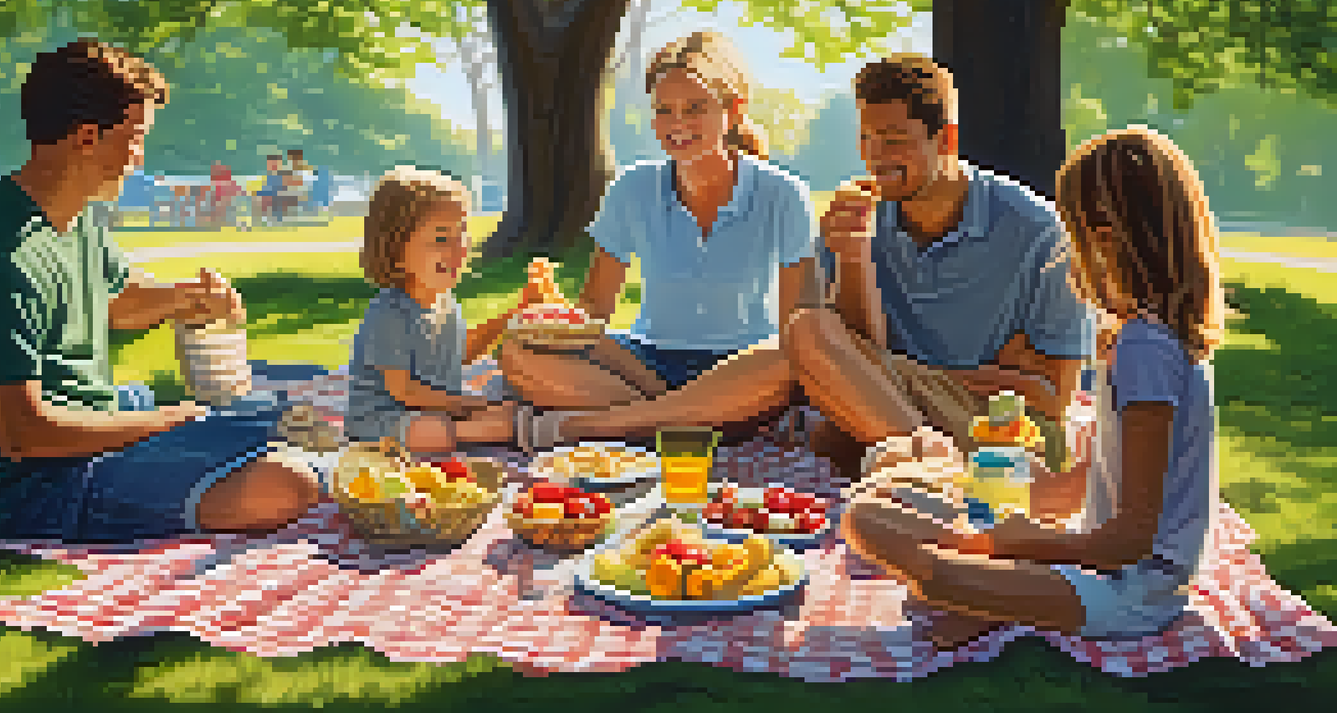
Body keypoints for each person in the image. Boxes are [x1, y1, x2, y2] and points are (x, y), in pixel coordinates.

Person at [520, 54, 1094, 480]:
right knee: (808, 338)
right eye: (868, 140)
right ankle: (912, 456)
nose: (876, 158)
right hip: (883, 405)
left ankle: (921, 463)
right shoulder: (860, 215)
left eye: (894, 141)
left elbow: (1048, 398)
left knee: (821, 399)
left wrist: (892, 372)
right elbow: (833, 347)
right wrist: (855, 258)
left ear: (947, 139)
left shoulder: (1039, 233)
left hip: (992, 429)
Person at [0, 39, 321, 544]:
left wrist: (191, 297)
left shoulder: (72, 218)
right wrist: (167, 422)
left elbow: (118, 302)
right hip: (33, 488)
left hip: (93, 422)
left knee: (283, 415)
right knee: (288, 482)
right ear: (86, 136)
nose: (139, 158)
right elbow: (22, 434)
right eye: (135, 138)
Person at [839, 125, 1225, 648]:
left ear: (1106, 237)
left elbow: (1131, 542)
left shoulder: (1145, 352)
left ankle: (984, 599)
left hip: (1132, 590)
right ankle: (991, 598)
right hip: (1094, 559)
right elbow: (1090, 490)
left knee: (927, 572)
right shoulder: (1139, 336)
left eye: (1074, 232)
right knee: (872, 514)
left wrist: (1023, 543)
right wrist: (1013, 497)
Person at [500, 31, 817, 447]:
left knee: (787, 360)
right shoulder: (631, 188)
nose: (677, 124)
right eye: (663, 110)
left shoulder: (784, 193)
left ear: (733, 110)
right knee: (518, 354)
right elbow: (596, 310)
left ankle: (592, 427)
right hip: (645, 361)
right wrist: (554, 318)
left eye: (695, 108)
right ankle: (705, 420)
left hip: (744, 362)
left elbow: (798, 322)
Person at [346, 165, 547, 451]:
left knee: (509, 405)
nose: (458, 248)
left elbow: (461, 353)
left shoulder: (446, 302)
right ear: (395, 252)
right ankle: (492, 431)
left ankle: (497, 427)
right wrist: (470, 403)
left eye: (462, 235)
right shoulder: (388, 312)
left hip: (437, 408)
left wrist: (517, 312)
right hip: (382, 420)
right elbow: (405, 391)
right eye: (441, 238)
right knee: (445, 428)